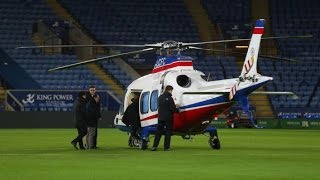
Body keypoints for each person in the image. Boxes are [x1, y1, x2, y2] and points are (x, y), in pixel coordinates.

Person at [151, 85, 179, 151]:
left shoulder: (160, 97)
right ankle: (166, 147)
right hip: (168, 118)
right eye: (171, 90)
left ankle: (154, 146)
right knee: (168, 133)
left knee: (158, 133)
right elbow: (172, 108)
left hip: (160, 117)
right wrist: (177, 110)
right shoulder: (170, 98)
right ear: (169, 90)